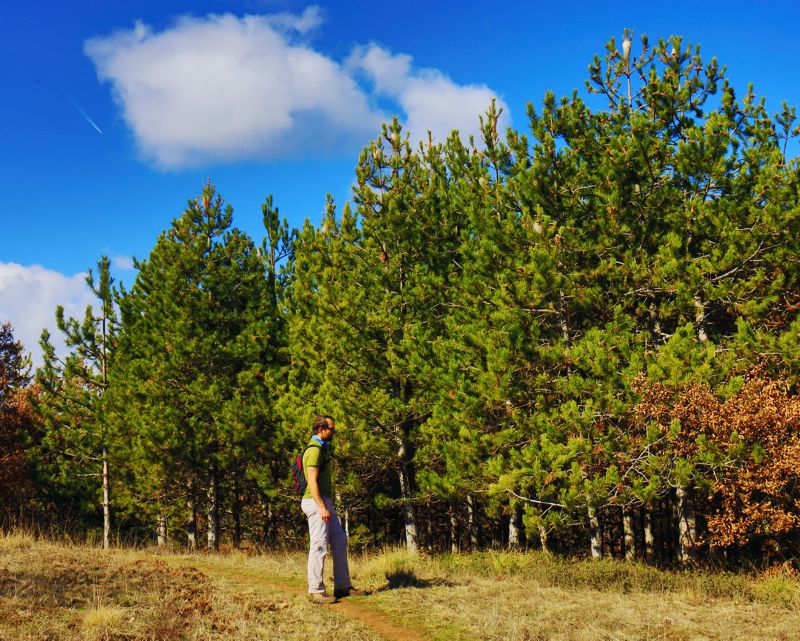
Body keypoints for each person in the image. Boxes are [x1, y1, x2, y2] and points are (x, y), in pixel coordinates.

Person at [301, 415, 363, 604]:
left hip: (324, 502)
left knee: (339, 541)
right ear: (321, 430)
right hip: (316, 502)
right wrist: (321, 506)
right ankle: (315, 591)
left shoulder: (322, 449)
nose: (333, 433)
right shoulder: (314, 451)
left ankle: (343, 586)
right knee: (319, 544)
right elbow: (311, 481)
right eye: (331, 429)